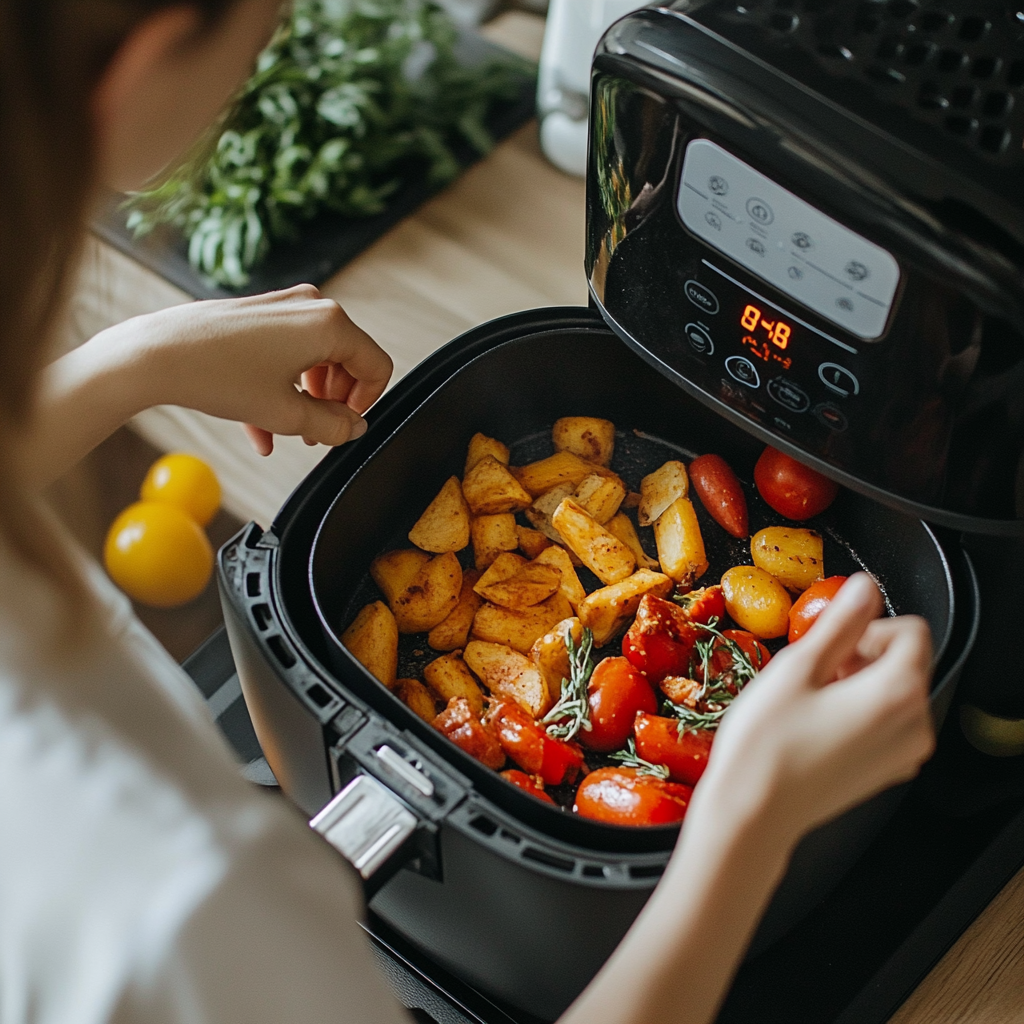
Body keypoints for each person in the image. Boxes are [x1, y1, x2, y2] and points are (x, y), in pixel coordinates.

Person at [0, 2, 935, 1022]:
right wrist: (745, 824)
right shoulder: (189, 908)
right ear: (145, 57)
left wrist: (141, 359)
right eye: (264, 22)